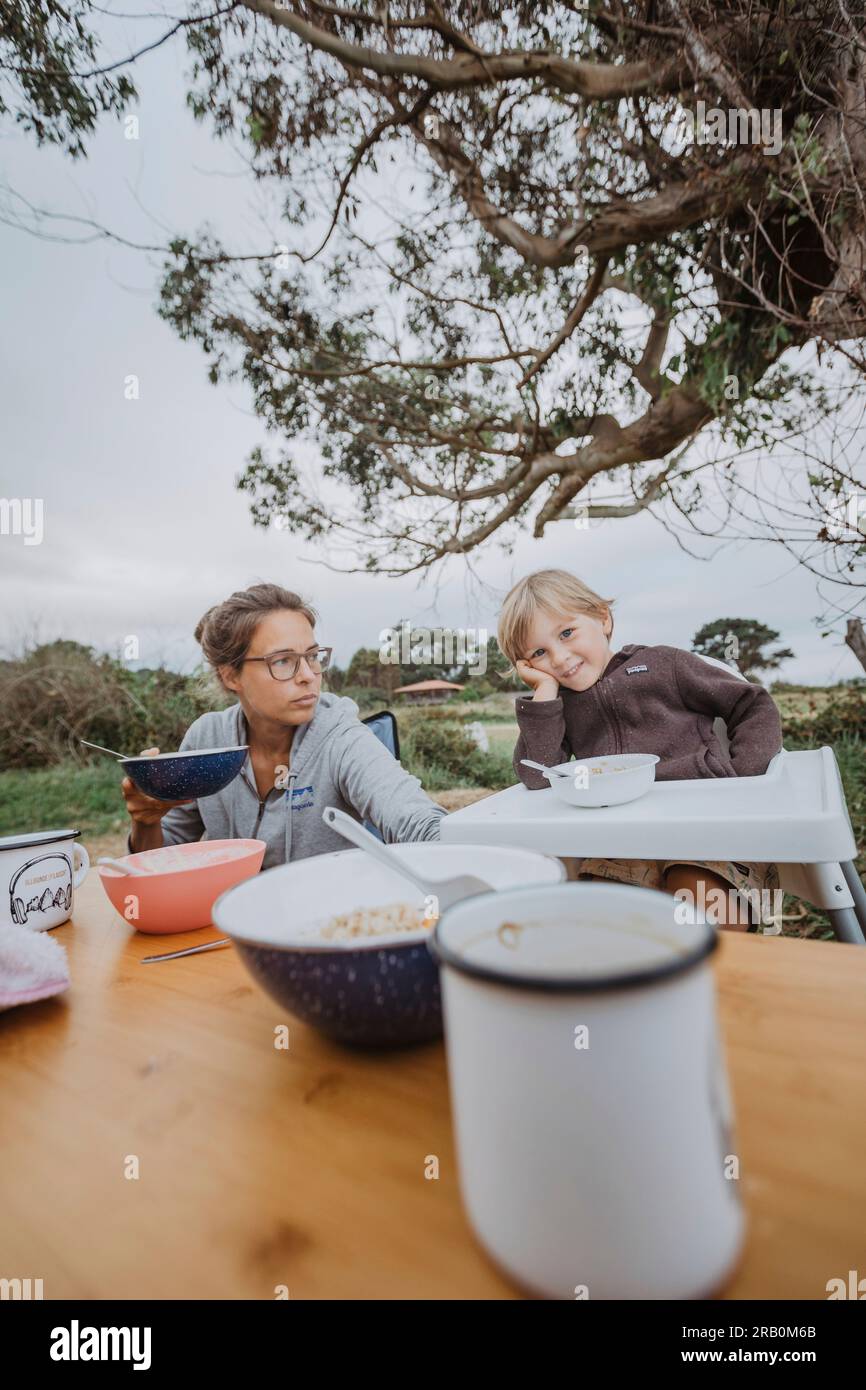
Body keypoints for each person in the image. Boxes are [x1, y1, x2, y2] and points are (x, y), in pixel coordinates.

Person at [497, 569, 783, 931]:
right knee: (598, 929)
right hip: (617, 843)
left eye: (567, 633)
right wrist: (544, 694)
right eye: (539, 653)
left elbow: (752, 704)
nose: (559, 657)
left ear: (603, 618)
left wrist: (742, 780)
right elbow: (537, 777)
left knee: (702, 921)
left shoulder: (664, 665)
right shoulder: (560, 708)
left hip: (704, 829)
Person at [122, 582, 444, 868]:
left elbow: (417, 822)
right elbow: (159, 863)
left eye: (313, 656)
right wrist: (146, 821)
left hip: (326, 926)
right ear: (231, 675)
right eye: (283, 661)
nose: (308, 675)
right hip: (229, 929)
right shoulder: (207, 740)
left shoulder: (340, 738)